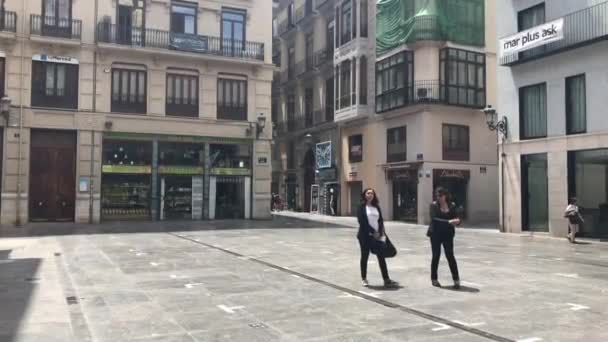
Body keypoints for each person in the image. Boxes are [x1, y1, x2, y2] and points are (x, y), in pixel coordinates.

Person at [357, 188, 398, 288]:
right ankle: (364, 278)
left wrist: (380, 232)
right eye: (368, 193)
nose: (370, 195)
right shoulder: (361, 207)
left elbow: (380, 220)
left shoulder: (376, 207)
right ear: (364, 195)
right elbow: (362, 222)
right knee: (365, 256)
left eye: (372, 193)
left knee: (381, 257)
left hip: (377, 236)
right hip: (365, 236)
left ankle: (386, 279)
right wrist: (372, 232)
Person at [428, 187, 461, 289]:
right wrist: (448, 222)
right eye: (437, 196)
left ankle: (456, 279)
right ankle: (434, 279)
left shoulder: (452, 205)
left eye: (441, 196)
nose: (439, 198)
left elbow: (457, 217)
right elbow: (434, 219)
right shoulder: (433, 206)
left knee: (450, 256)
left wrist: (458, 222)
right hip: (435, 234)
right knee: (436, 256)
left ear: (445, 195)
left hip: (448, 235)